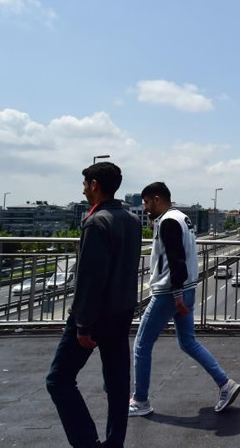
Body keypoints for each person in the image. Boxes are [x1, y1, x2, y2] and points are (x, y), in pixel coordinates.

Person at [46, 162, 142, 447]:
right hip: (122, 311)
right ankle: (114, 443)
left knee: (59, 380)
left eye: (86, 184)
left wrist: (83, 324)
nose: (84, 189)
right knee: (117, 383)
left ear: (95, 185)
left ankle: (86, 442)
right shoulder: (131, 219)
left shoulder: (96, 222)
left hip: (95, 316)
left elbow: (90, 278)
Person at [129, 182, 240, 417]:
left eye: (147, 203)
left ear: (158, 199)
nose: (146, 208)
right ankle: (225, 384)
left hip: (170, 292)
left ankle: (140, 400)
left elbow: (175, 258)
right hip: (186, 288)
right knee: (188, 342)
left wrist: (177, 294)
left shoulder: (169, 221)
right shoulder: (181, 218)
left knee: (141, 345)